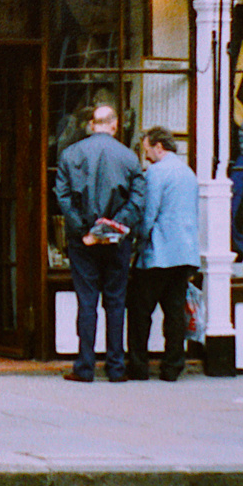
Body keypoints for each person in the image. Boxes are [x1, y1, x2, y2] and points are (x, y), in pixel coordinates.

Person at [54, 105, 145, 383]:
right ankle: (116, 367)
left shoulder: (70, 154)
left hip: (83, 241)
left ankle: (85, 366)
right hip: (116, 241)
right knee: (116, 302)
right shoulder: (129, 157)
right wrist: (114, 226)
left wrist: (85, 230)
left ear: (92, 124)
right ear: (115, 125)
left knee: (87, 302)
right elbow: (138, 199)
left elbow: (64, 196)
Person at [128, 127, 199, 382]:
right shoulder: (189, 173)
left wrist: (137, 242)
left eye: (147, 149)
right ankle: (172, 366)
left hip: (158, 253)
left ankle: (138, 366)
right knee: (174, 312)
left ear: (159, 146)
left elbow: (149, 214)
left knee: (140, 312)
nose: (145, 155)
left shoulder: (156, 173)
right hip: (184, 253)